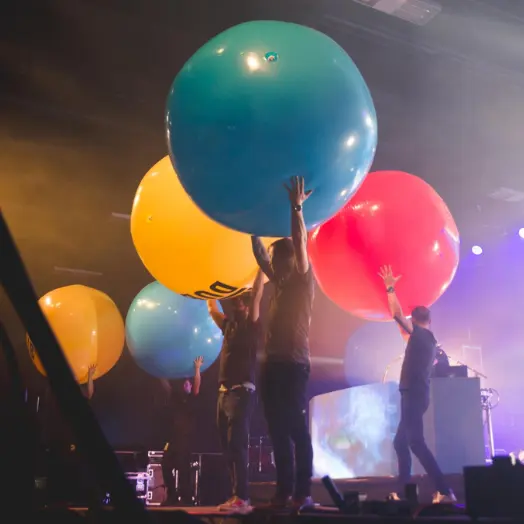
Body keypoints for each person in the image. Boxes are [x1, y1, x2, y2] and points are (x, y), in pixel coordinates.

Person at [251, 175, 315, 511]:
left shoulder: (303, 279)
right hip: (271, 364)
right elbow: (261, 257)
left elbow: (300, 242)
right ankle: (283, 491)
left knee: (294, 428)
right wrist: (250, 228)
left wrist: (296, 207)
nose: (272, 264)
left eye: (278, 259)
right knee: (276, 428)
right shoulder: (278, 279)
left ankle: (303, 492)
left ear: (289, 259)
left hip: (293, 364)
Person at [378, 265, 456, 504]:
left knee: (415, 443)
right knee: (400, 442)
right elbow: (401, 324)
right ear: (430, 320)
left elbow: (396, 314)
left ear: (416, 321)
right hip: (414, 394)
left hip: (413, 394)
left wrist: (390, 287)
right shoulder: (426, 339)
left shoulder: (420, 336)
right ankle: (403, 492)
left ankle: (445, 490)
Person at [207, 270, 265, 511]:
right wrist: (204, 283)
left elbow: (257, 297)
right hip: (224, 394)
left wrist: (261, 270)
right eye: (236, 301)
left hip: (241, 393)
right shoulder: (228, 326)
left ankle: (243, 497)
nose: (239, 304)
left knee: (237, 444)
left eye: (242, 301)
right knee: (227, 447)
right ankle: (236, 495)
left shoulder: (251, 326)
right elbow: (212, 309)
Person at [160, 356, 203, 506]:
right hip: (173, 440)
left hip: (185, 440)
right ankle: (172, 495)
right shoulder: (176, 398)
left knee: (183, 469)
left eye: (188, 383)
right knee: (165, 464)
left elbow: (197, 384)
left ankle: (185, 499)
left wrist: (197, 368)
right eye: (185, 382)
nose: (187, 384)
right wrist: (160, 372)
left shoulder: (192, 399)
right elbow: (166, 387)